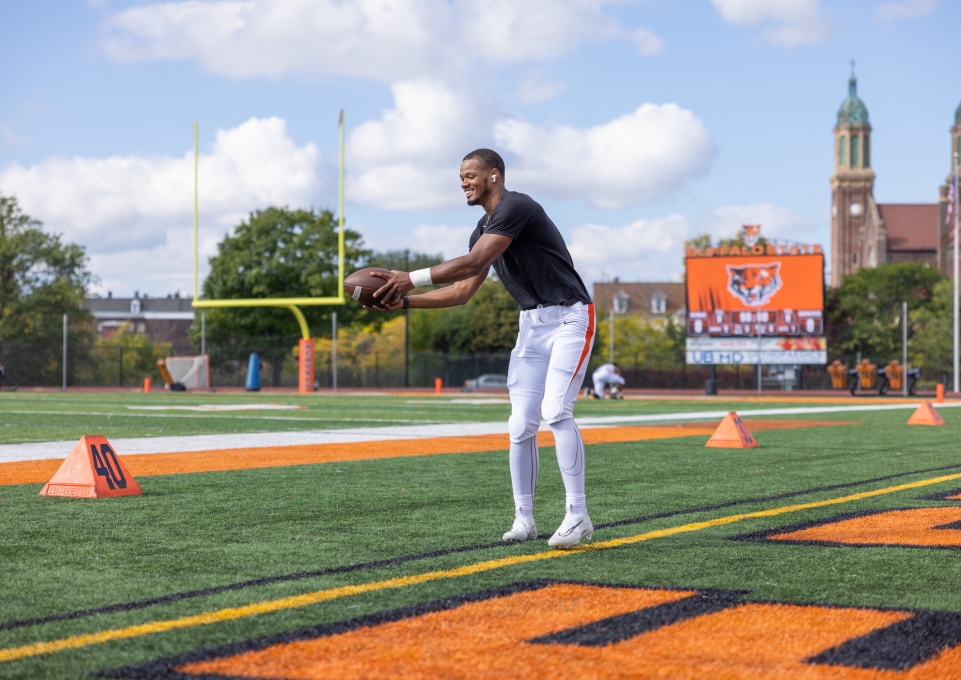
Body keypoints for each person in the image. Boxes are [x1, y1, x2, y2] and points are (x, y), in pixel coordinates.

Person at [369, 148, 596, 549]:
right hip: (531, 323)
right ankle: (525, 519)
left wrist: (410, 277)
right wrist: (403, 301)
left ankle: (578, 515)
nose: (464, 183)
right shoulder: (481, 230)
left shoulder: (517, 207)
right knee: (519, 424)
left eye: (470, 175)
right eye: (461, 177)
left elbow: (475, 263)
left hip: (570, 318)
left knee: (556, 410)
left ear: (494, 175)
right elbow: (461, 292)